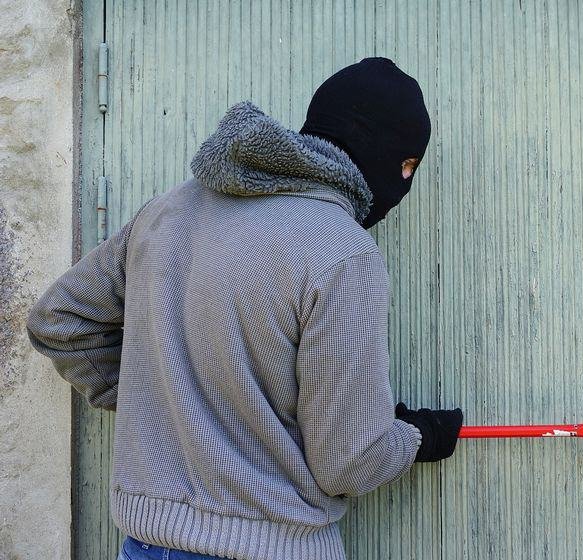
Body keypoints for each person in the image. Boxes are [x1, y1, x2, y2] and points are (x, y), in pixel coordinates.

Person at [26, 57, 462, 560]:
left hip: (146, 545)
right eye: (407, 165)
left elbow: (59, 320)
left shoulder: (168, 211)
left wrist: (166, 395)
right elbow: (349, 462)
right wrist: (418, 436)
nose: (403, 181)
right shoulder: (342, 251)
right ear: (379, 150)